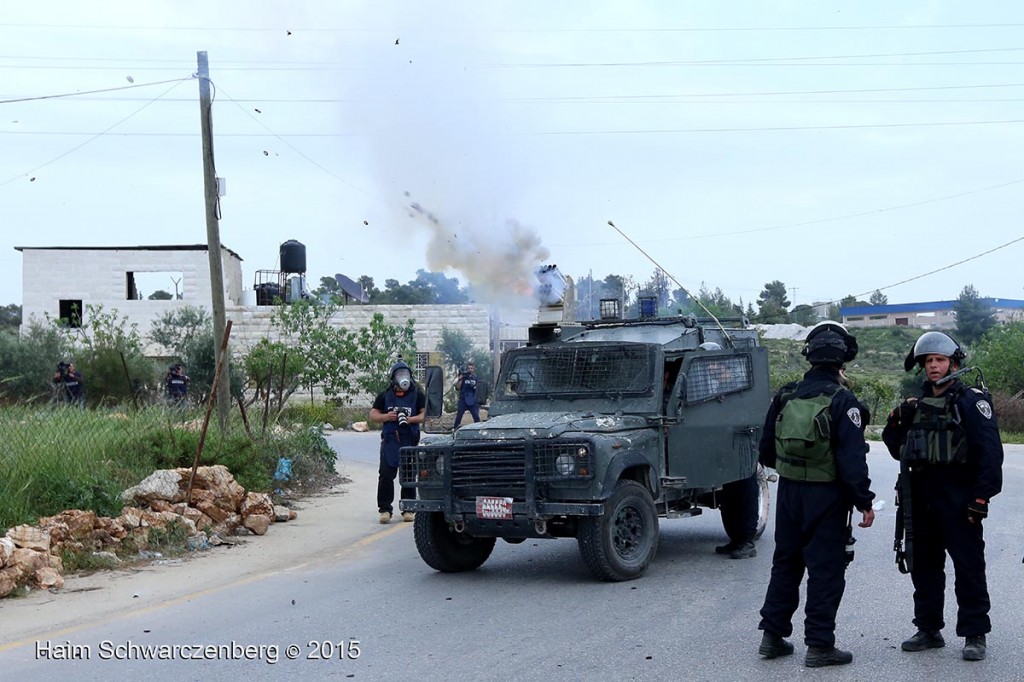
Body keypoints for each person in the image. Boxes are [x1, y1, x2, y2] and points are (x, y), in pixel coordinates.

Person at [756, 321, 875, 668]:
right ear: (842, 362)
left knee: (786, 564)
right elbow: (852, 460)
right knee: (826, 569)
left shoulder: (787, 395)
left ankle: (772, 637)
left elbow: (766, 451)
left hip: (790, 493)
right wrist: (864, 502)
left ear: (809, 356)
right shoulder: (844, 401)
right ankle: (820, 645)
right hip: (827, 497)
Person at [881, 331, 1003, 662]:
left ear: (953, 362)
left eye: (939, 360)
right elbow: (897, 449)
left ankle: (975, 632)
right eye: (928, 361)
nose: (933, 367)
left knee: (968, 566)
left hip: (959, 497)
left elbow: (990, 454)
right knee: (924, 566)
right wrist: (895, 423)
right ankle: (928, 629)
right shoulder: (916, 405)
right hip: (920, 497)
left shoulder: (970, 402)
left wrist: (981, 498)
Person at [699, 342, 760, 560]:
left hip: (741, 444)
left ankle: (746, 542)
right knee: (730, 496)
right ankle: (735, 540)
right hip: (724, 445)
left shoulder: (737, 382)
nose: (710, 369)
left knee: (745, 493)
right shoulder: (709, 385)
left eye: (712, 364)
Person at [369, 360, 426, 524]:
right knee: (386, 475)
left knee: (409, 474)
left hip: (409, 439)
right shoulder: (385, 395)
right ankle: (385, 509)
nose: (403, 377)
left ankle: (408, 508)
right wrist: (387, 417)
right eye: (400, 374)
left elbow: (425, 415)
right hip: (390, 441)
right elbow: (373, 415)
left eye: (406, 374)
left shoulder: (417, 395)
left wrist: (410, 419)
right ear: (394, 378)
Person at [453, 361, 480, 428]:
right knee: (459, 415)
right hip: (463, 399)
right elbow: (458, 388)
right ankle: (455, 428)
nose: (470, 370)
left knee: (476, 416)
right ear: (467, 369)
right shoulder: (463, 377)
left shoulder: (475, 378)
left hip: (472, 399)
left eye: (471, 368)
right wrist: (460, 379)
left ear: (474, 369)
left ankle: (479, 429)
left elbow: (478, 388)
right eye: (469, 368)